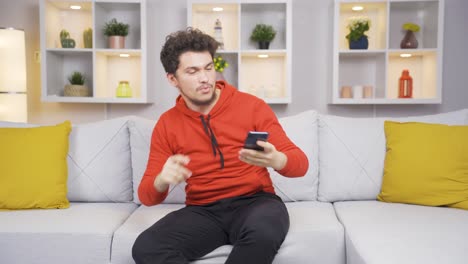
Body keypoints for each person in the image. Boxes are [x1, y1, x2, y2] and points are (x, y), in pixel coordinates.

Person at [132, 28, 309, 264]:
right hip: (203, 211)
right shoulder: (167, 124)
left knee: (263, 233)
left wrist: (278, 160)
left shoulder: (252, 106)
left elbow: (301, 164)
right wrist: (162, 179)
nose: (205, 78)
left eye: (208, 67)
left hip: (256, 203)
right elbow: (147, 195)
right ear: (172, 79)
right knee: (146, 247)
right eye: (192, 71)